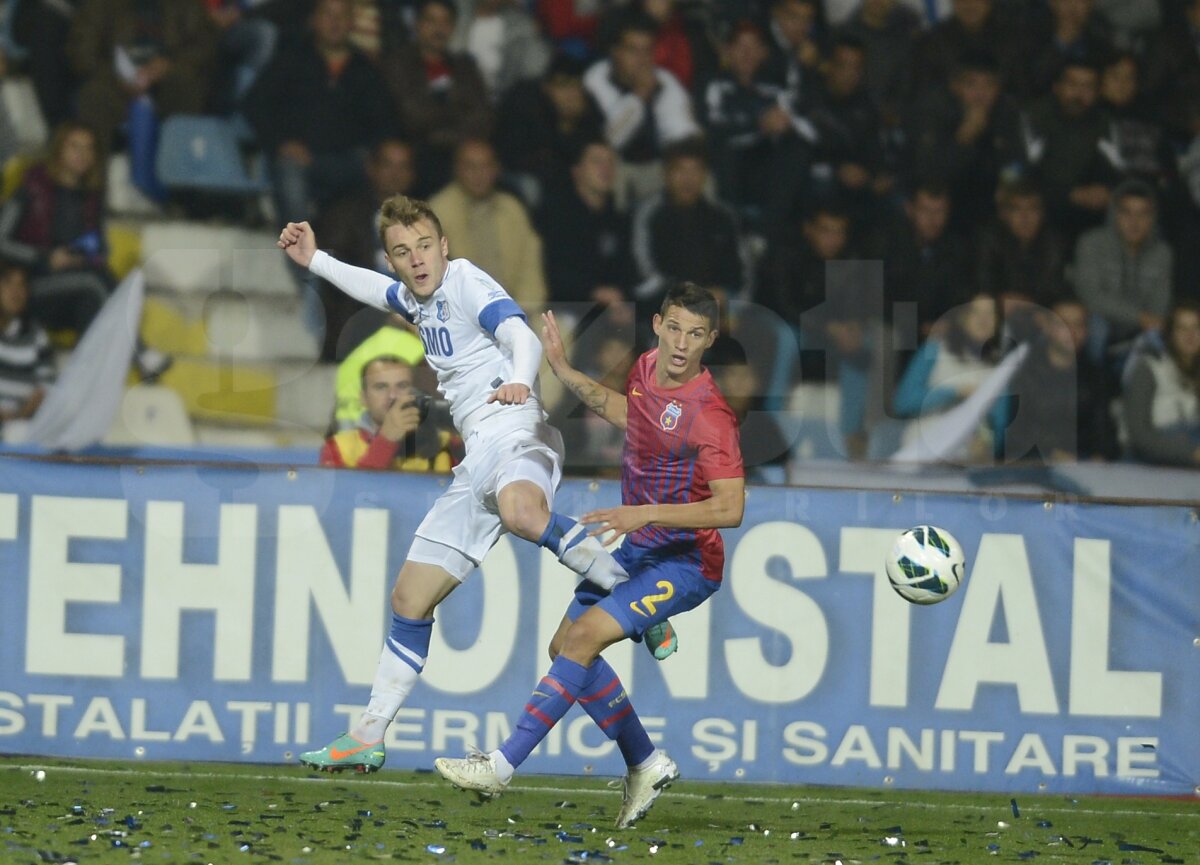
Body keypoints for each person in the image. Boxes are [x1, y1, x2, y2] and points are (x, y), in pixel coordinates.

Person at [276, 195, 676, 773]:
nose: (415, 260)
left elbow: (523, 335)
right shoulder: (416, 298)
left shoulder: (463, 280)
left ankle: (639, 600)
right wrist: (315, 260)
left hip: (517, 429)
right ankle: (369, 732)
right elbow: (370, 288)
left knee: (521, 509)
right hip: (476, 460)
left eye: (423, 248)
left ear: (444, 247)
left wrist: (518, 380)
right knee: (409, 600)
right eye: (401, 252)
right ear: (393, 260)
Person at [434, 283, 744, 829]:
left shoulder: (712, 415)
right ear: (656, 324)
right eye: (674, 328)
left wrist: (643, 513)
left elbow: (730, 508)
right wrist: (563, 370)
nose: (680, 344)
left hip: (687, 562)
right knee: (565, 646)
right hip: (641, 546)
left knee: (578, 641)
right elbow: (631, 414)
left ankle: (502, 766)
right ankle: (645, 762)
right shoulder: (646, 368)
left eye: (695, 335)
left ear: (710, 340)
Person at [320, 354, 458, 470]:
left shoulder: (446, 443)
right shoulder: (337, 447)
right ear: (363, 398)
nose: (392, 395)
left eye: (402, 386)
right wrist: (386, 440)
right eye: (381, 387)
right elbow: (346, 498)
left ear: (416, 392)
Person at [1121, 300, 1200, 468]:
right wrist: (1191, 453)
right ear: (1170, 333)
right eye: (1182, 328)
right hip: (1148, 461)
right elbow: (1139, 436)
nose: (1190, 335)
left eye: (1196, 328)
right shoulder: (1148, 367)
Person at [0, 261, 55, 433]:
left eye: (22, 285)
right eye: (8, 283)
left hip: (21, 427)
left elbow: (46, 387)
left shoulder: (36, 335)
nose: (16, 291)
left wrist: (18, 417)